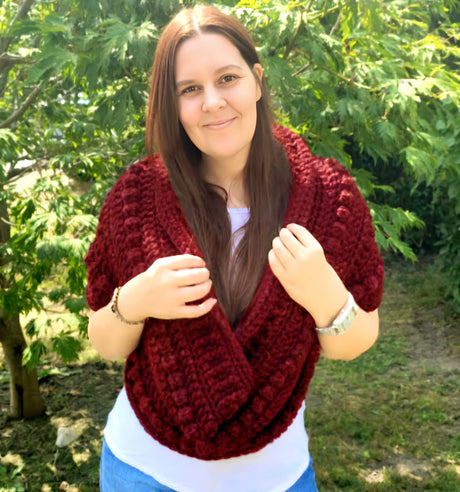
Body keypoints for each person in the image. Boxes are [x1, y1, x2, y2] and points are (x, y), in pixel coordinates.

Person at [85, 5, 384, 491]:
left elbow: (356, 341)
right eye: (189, 89)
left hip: (278, 479)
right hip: (141, 472)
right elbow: (105, 342)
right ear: (172, 104)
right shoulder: (135, 200)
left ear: (257, 81)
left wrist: (326, 295)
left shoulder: (331, 200)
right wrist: (135, 302)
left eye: (227, 78)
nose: (212, 102)